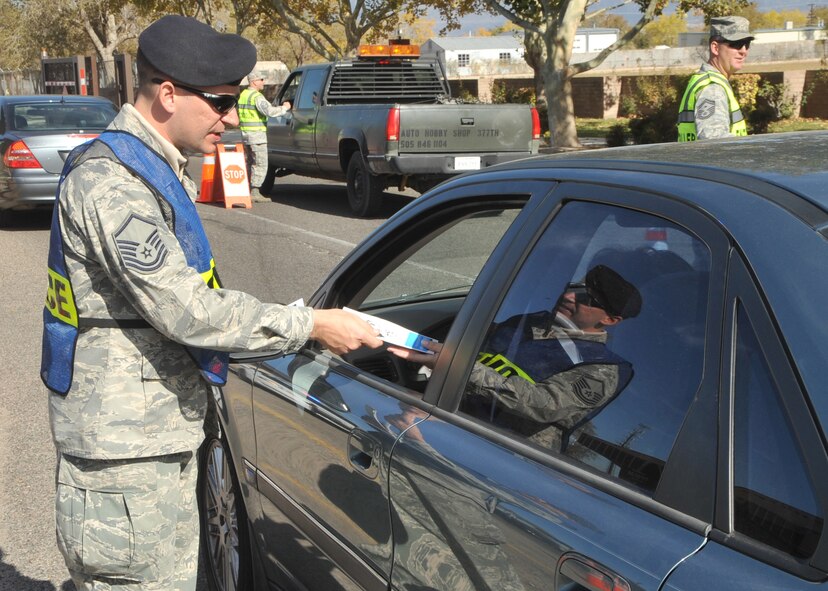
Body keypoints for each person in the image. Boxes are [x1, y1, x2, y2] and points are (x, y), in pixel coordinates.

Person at [40, 15, 382, 591]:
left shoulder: (148, 169)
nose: (231, 118)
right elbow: (188, 309)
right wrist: (311, 325)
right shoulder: (112, 184)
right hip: (125, 456)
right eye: (222, 102)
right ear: (169, 95)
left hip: (150, 441)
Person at [390, 264, 641, 451]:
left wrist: (461, 367)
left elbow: (543, 404)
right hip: (450, 425)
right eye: (573, 286)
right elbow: (480, 350)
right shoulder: (529, 320)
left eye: (586, 298)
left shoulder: (603, 368)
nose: (568, 296)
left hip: (503, 457)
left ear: (609, 320)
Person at [677, 16, 754, 141]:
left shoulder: (704, 79)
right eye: (737, 44)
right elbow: (714, 141)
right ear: (715, 48)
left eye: (747, 44)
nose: (744, 51)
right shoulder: (712, 88)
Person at [238, 69, 290, 202]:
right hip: (257, 136)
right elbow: (270, 111)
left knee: (250, 163)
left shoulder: (244, 94)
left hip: (246, 135)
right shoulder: (257, 97)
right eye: (261, 79)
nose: (263, 82)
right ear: (254, 82)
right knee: (260, 163)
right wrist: (285, 108)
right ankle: (255, 192)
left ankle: (248, 189)